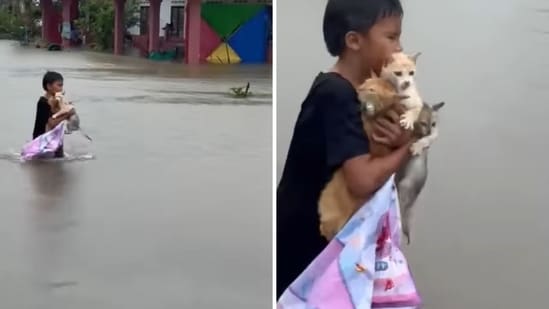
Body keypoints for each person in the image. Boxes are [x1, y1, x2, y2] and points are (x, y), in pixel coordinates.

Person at [276, 0, 415, 298]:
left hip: (322, 253)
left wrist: (397, 144)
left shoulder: (359, 94)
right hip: (304, 258)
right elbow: (362, 179)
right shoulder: (336, 95)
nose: (399, 48)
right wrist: (408, 146)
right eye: (391, 37)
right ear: (354, 41)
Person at [32, 71, 75, 158]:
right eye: (59, 85)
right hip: (43, 143)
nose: (61, 89)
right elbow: (51, 123)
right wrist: (67, 114)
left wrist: (67, 110)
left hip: (55, 140)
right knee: (48, 168)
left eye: (62, 85)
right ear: (49, 86)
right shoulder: (43, 103)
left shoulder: (57, 101)